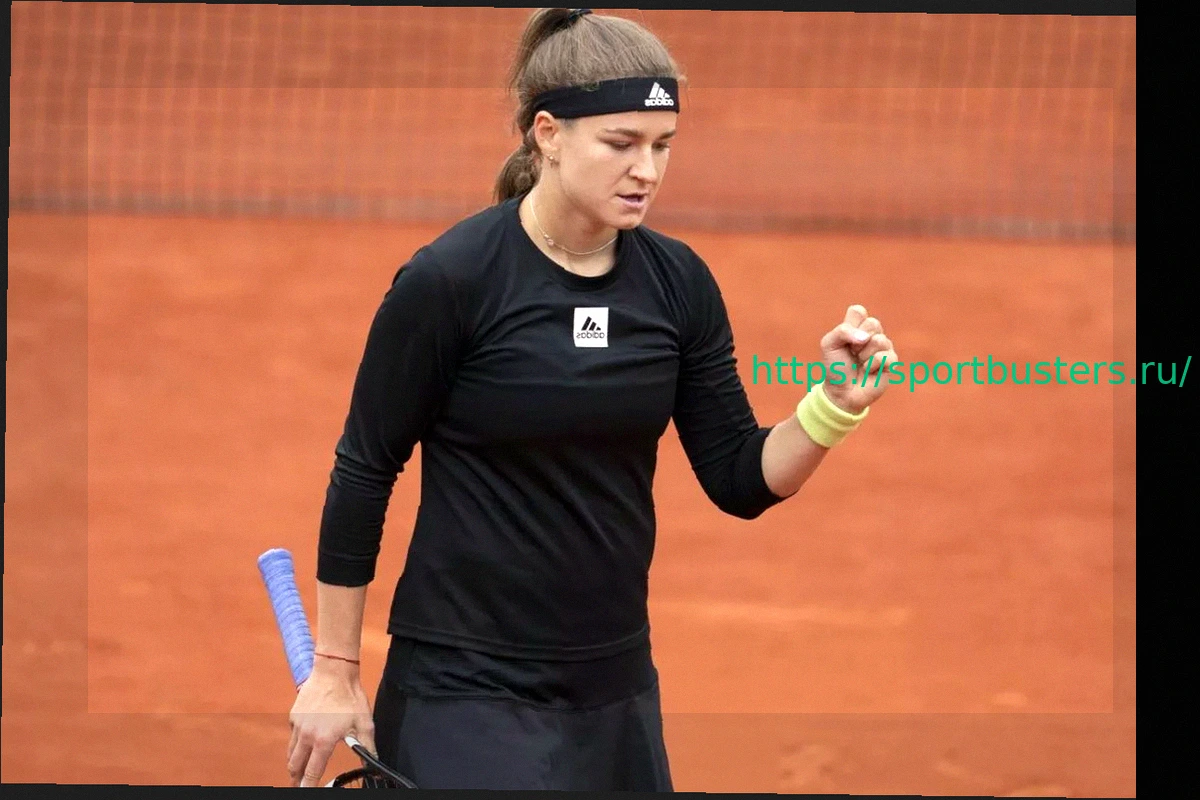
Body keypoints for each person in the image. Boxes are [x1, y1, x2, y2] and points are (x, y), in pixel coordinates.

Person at [285, 7, 899, 791]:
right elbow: (365, 468)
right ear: (547, 134)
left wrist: (834, 406)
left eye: (662, 145)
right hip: (465, 684)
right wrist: (335, 670)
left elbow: (738, 478)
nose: (647, 169)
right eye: (621, 143)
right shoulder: (453, 281)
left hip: (613, 685)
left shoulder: (678, 285)